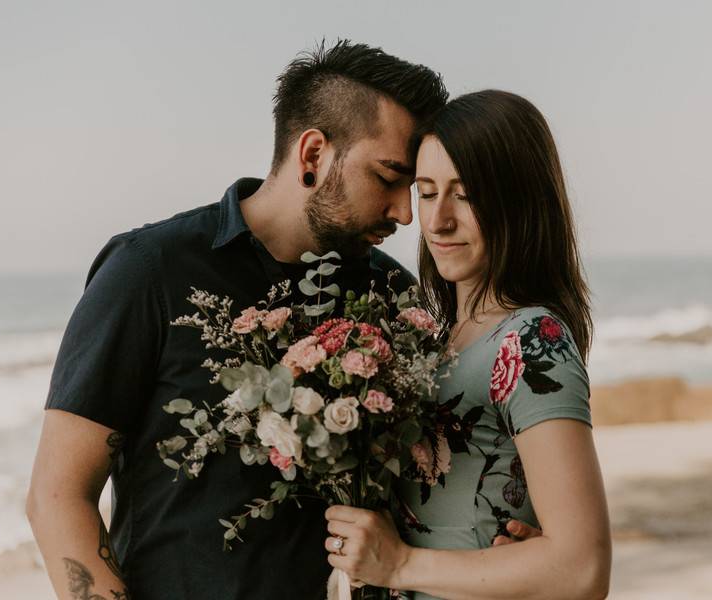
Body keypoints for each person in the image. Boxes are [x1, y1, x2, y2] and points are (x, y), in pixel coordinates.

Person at [25, 40, 449, 600]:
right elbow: (57, 497)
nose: (404, 212)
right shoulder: (150, 271)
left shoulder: (393, 295)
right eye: (388, 177)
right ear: (313, 155)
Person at [324, 90, 612, 599]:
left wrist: (401, 564)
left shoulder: (532, 340)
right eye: (428, 192)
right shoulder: (438, 338)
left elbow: (583, 569)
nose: (438, 222)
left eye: (467, 193)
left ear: (519, 201)